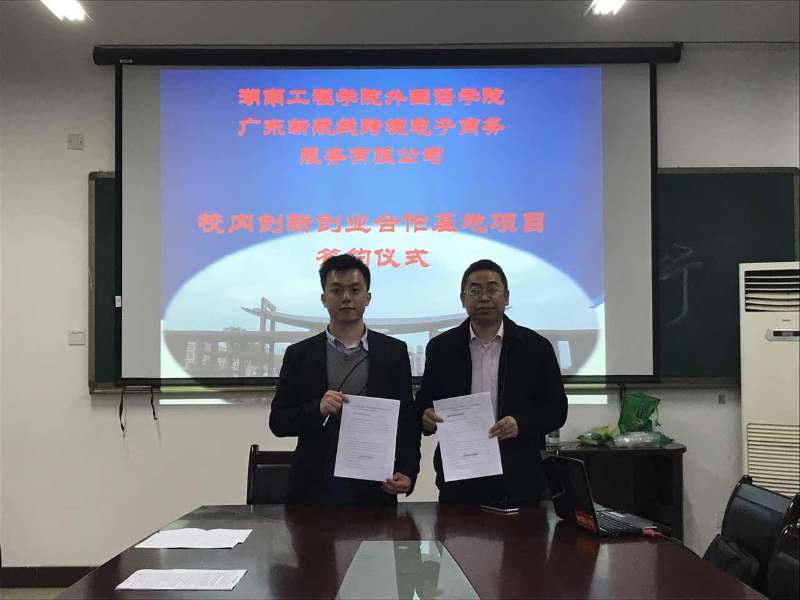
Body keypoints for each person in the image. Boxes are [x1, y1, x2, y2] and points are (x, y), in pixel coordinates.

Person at [269, 254, 421, 505]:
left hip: (376, 487)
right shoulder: (300, 354)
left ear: (368, 297)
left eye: (355, 290)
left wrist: (408, 470)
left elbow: (406, 420)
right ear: (324, 298)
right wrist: (317, 408)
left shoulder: (393, 352)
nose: (346, 297)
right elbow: (278, 422)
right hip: (312, 488)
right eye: (336, 290)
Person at [416, 259, 568, 505]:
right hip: (459, 474)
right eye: (475, 290)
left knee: (522, 532)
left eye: (492, 289)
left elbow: (557, 410)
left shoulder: (535, 347)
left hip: (519, 473)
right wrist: (426, 417)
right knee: (455, 531)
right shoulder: (441, 348)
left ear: (506, 297)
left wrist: (521, 423)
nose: (484, 297)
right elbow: (424, 403)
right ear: (463, 299)